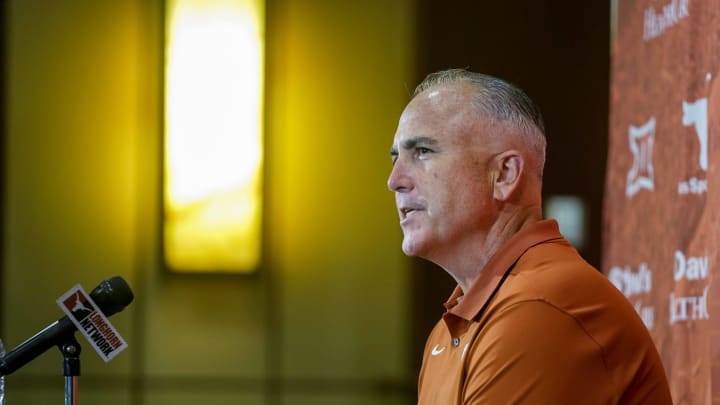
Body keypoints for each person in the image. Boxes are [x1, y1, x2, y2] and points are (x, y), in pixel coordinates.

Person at [387, 69, 672, 404]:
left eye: (422, 151)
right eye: (395, 158)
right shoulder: (453, 327)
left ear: (505, 174)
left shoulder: (540, 307)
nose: (395, 180)